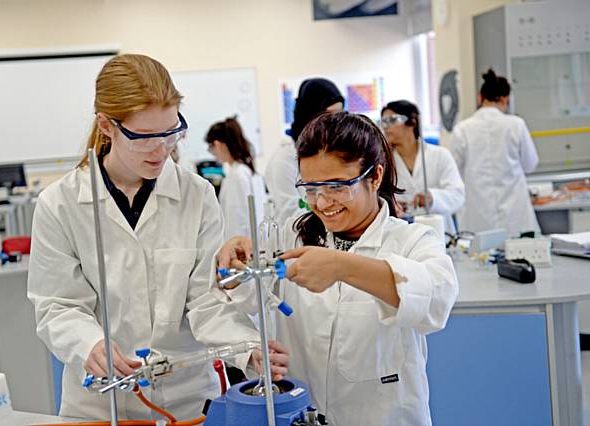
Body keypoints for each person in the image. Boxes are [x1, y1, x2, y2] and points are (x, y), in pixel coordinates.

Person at [27, 54, 287, 421]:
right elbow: (57, 305)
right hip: (101, 403)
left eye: (170, 132)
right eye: (145, 137)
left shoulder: (196, 195)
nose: (161, 149)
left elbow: (205, 300)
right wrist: (90, 344)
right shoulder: (60, 204)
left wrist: (246, 348)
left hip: (187, 401)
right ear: (106, 125)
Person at [216, 111, 458, 425]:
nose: (322, 202)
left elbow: (437, 298)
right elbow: (232, 301)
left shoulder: (412, 240)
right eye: (311, 188)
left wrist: (342, 266)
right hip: (303, 415)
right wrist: (231, 262)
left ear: (375, 176)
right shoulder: (289, 235)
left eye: (336, 187)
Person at [448, 68, 540, 236]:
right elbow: (530, 164)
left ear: (480, 97)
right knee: (521, 255)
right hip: (515, 214)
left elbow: (453, 172)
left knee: (478, 258)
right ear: (505, 99)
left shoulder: (462, 129)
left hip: (477, 214)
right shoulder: (516, 125)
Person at [265, 78, 344, 225]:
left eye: (340, 114)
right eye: (329, 115)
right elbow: (291, 215)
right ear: (311, 115)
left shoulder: (331, 150)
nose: (336, 122)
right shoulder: (284, 160)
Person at [380, 100, 464, 234]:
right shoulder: (384, 162)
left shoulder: (440, 155)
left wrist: (432, 197)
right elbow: (378, 198)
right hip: (402, 234)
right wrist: (391, 205)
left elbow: (457, 195)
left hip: (441, 233)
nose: (385, 127)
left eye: (392, 120)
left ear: (412, 122)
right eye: (383, 121)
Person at [205, 116, 267, 239]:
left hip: (242, 248)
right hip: (255, 244)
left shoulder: (237, 176)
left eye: (211, 148)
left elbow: (237, 222)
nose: (213, 154)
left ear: (217, 144)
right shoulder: (248, 171)